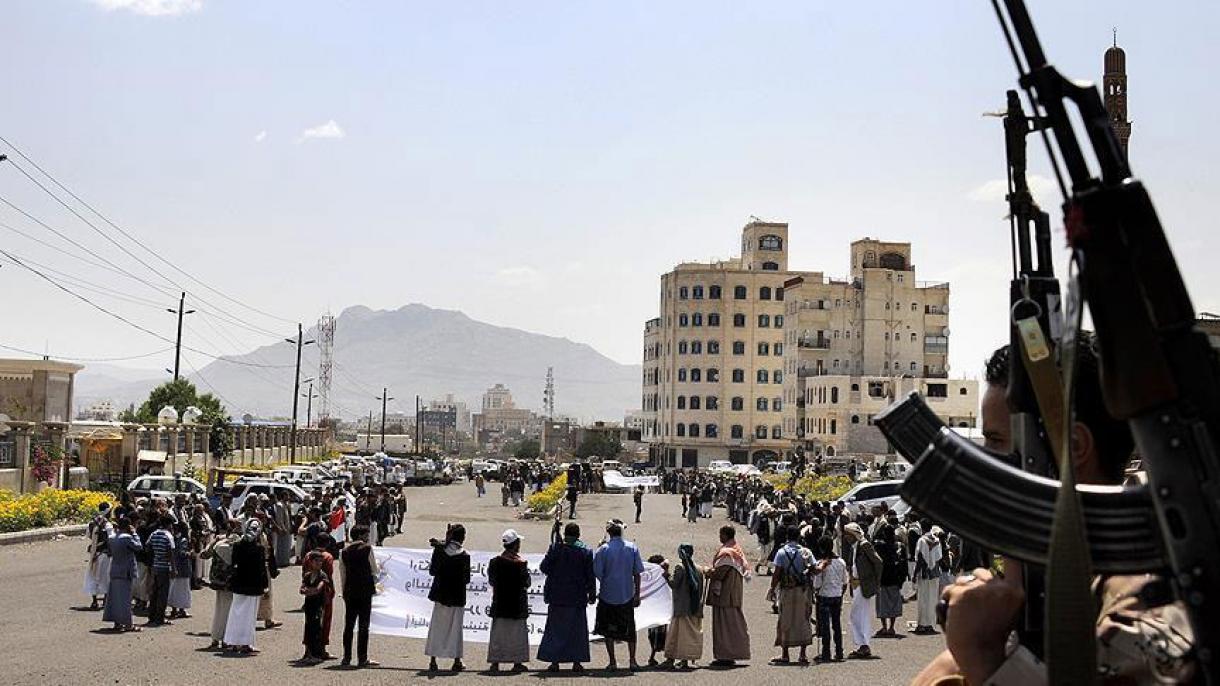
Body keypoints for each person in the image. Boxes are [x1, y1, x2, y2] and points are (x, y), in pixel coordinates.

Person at [538, 522, 596, 672]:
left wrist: (553, 554)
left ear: (565, 534)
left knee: (555, 630)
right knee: (576, 631)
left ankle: (554, 662)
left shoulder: (556, 549)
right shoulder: (586, 552)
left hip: (557, 596)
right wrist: (592, 594)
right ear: (578, 535)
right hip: (577, 597)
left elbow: (544, 568)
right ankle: (576, 662)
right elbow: (590, 576)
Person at [593, 519, 644, 671]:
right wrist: (637, 594)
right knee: (630, 628)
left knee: (608, 630)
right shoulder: (632, 548)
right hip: (626, 594)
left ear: (609, 532)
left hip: (608, 594)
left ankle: (613, 661)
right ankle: (632, 661)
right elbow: (637, 573)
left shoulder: (603, 550)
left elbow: (597, 572)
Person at [425, 524, 471, 672]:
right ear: (462, 538)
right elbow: (466, 579)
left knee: (437, 627)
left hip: (440, 595)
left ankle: (433, 660)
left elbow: (433, 571)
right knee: (455, 629)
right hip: (457, 596)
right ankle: (456, 661)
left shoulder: (439, 551)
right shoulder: (464, 555)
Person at [704, 525, 751, 666]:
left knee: (724, 626)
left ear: (725, 535)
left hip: (724, 595)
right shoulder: (737, 550)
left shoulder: (727, 553)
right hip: (733, 593)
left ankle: (725, 655)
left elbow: (719, 573)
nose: (719, 537)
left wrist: (707, 571)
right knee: (734, 625)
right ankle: (733, 653)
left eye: (720, 534)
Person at [487, 529, 531, 672]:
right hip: (517, 606)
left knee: (498, 635)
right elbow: (527, 583)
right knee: (517, 636)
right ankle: (517, 662)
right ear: (516, 545)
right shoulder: (521, 564)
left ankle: (495, 662)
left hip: (500, 604)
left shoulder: (494, 562)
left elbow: (492, 580)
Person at [769, 525, 814, 664]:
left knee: (785, 620)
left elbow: (777, 574)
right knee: (803, 619)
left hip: (787, 590)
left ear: (787, 536)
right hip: (803, 590)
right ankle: (803, 654)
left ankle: (785, 654)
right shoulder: (806, 552)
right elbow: (814, 568)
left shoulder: (782, 553)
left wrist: (772, 589)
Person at [225, 519, 270, 655]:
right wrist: (265, 586)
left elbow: (233, 564)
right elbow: (262, 569)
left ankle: (233, 642)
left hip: (239, 584)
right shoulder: (259, 548)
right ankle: (245, 643)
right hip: (253, 586)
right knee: (249, 616)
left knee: (236, 612)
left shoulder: (237, 545)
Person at [339, 524, 379, 668]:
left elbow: (342, 573)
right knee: (363, 626)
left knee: (348, 626)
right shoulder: (367, 549)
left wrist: (344, 591)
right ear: (362, 535)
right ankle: (362, 658)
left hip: (350, 591)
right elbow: (374, 569)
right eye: (366, 534)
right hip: (365, 591)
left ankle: (346, 657)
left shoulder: (344, 551)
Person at [662, 544, 704, 670]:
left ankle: (670, 659)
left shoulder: (680, 567)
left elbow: (674, 584)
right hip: (695, 607)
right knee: (689, 636)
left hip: (681, 608)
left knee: (676, 635)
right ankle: (685, 660)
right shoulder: (699, 568)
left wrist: (666, 574)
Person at [844, 521, 881, 659]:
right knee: (858, 615)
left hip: (863, 585)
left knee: (858, 615)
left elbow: (878, 562)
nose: (846, 537)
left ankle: (864, 645)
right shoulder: (855, 547)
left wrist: (875, 581)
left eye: (848, 534)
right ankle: (862, 645)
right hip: (857, 585)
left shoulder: (864, 545)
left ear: (854, 535)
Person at [202, 520, 239, 650]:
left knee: (219, 609)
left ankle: (216, 637)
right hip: (231, 583)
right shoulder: (237, 545)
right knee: (229, 610)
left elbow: (204, 554)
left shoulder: (218, 543)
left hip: (218, 582)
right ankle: (226, 638)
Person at [102, 515, 143, 632]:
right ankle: (128, 624)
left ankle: (117, 622)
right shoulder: (127, 537)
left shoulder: (113, 537)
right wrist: (134, 533)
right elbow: (138, 547)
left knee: (115, 598)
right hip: (126, 571)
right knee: (126, 599)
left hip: (115, 570)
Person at [813, 535, 847, 663]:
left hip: (824, 596)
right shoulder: (841, 562)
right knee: (837, 625)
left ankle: (826, 652)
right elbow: (845, 582)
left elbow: (817, 584)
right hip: (837, 596)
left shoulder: (821, 564)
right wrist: (840, 593)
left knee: (825, 626)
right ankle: (839, 652)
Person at [298, 550, 333, 664]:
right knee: (308, 628)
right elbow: (302, 589)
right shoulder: (308, 575)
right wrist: (308, 591)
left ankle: (316, 654)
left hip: (318, 605)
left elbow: (319, 589)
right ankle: (308, 652)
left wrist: (309, 591)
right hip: (309, 605)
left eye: (320, 561)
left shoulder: (322, 575)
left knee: (317, 629)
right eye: (316, 561)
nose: (319, 564)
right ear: (311, 562)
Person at [873, 523, 906, 637]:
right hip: (895, 579)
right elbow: (904, 564)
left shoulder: (879, 546)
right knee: (893, 603)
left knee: (882, 604)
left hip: (882, 579)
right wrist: (902, 579)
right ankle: (892, 627)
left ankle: (884, 627)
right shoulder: (899, 546)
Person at [912, 521, 944, 635]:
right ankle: (930, 624)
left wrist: (915, 574)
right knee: (933, 599)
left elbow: (920, 558)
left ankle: (922, 625)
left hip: (924, 573)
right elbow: (939, 558)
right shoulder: (937, 540)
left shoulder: (921, 540)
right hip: (935, 573)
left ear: (922, 527)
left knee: (923, 599)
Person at [145, 515, 175, 627]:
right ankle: (160, 618)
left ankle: (151, 616)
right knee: (163, 594)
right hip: (164, 567)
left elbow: (147, 546)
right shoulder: (168, 536)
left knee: (154, 593)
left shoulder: (154, 534)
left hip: (155, 566)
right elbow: (171, 552)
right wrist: (173, 568)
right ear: (168, 524)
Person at [84, 502, 113, 610]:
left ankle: (94, 601)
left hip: (94, 554)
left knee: (93, 576)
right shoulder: (107, 524)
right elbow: (111, 539)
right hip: (104, 553)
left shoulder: (92, 522)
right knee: (105, 576)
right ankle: (105, 600)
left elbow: (88, 535)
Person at [167, 521, 193, 619]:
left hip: (174, 567)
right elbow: (183, 553)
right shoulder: (183, 540)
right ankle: (182, 610)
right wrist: (190, 553)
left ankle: (174, 610)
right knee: (183, 590)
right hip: (183, 568)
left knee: (174, 589)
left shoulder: (173, 538)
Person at [272, 490, 293, 567]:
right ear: (283, 496)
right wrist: (282, 528)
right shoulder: (279, 505)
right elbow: (279, 519)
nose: (288, 497)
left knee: (286, 545)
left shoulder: (286, 504)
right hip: (283, 529)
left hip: (287, 528)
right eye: (287, 496)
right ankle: (280, 562)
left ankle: (285, 561)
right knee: (281, 546)